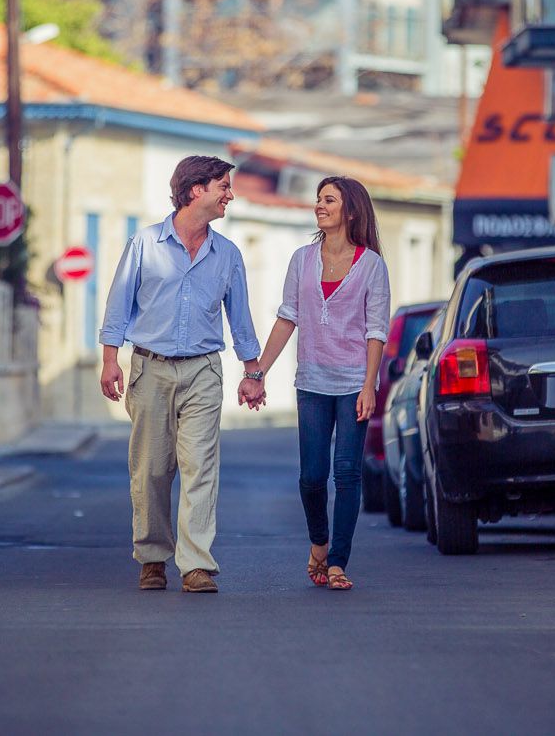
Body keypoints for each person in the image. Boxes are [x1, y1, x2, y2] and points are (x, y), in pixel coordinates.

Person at [99, 156, 266, 594]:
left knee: (200, 465)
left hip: (204, 369)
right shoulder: (145, 244)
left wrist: (253, 371)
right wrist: (109, 359)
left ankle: (195, 564)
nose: (230, 194)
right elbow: (119, 305)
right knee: (152, 469)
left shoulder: (227, 254)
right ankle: (153, 557)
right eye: (223, 186)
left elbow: (240, 319)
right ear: (196, 190)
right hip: (149, 367)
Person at [248, 176, 390, 590]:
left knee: (346, 473)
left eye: (329, 200)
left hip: (352, 385)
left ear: (350, 211)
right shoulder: (301, 259)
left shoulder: (372, 265)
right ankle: (319, 543)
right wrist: (258, 372)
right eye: (318, 199)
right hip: (311, 380)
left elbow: (376, 330)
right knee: (312, 476)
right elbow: (287, 317)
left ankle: (337, 563)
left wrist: (369, 385)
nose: (319, 206)